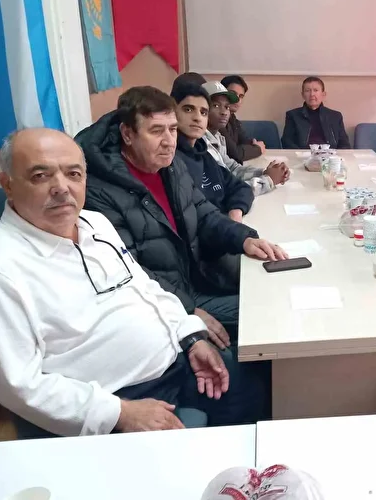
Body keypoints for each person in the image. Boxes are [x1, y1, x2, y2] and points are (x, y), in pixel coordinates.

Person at [0, 129, 269, 437]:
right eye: (40, 176)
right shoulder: (3, 267)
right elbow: (18, 385)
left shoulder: (94, 223)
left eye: (73, 174)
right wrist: (119, 413)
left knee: (256, 389)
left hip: (175, 362)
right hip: (115, 400)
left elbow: (145, 289)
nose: (61, 187)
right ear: (9, 185)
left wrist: (190, 337)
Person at [76, 86, 287, 350]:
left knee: (276, 286)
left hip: (197, 275)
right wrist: (188, 312)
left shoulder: (170, 164)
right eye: (156, 131)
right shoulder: (98, 191)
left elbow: (203, 212)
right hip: (169, 303)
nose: (169, 141)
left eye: (172, 129)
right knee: (269, 311)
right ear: (127, 134)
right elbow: (128, 270)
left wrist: (244, 239)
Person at [173, 81, 254, 222]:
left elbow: (240, 187)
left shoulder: (202, 153)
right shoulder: (171, 160)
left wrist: (236, 211)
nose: (197, 118)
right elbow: (197, 215)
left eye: (203, 112)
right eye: (188, 109)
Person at [201, 80, 289, 195]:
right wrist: (268, 180)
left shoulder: (217, 136)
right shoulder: (201, 144)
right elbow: (225, 192)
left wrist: (266, 172)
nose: (224, 112)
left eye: (227, 107)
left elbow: (233, 169)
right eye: (216, 106)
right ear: (202, 109)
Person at [281, 76, 350, 149]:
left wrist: (336, 155)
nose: (312, 94)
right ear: (303, 95)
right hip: (303, 154)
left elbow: (344, 143)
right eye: (307, 90)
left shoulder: (335, 116)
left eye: (316, 90)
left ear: (323, 94)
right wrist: (301, 153)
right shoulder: (293, 115)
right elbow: (286, 141)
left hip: (329, 154)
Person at [220, 74, 267, 162]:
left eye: (241, 96)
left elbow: (246, 142)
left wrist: (253, 146)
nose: (237, 100)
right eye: (233, 94)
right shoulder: (217, 119)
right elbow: (235, 154)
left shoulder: (233, 119)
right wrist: (257, 149)